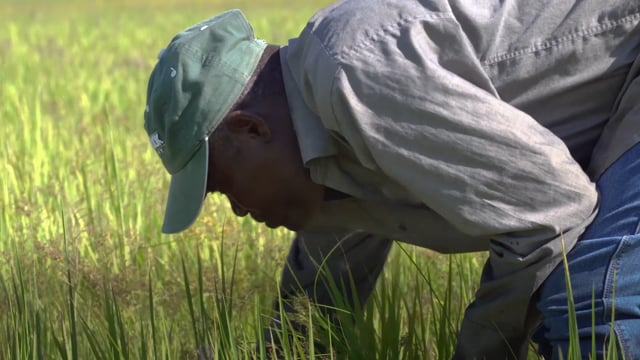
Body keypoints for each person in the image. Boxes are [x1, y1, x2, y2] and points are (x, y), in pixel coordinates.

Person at [143, 1, 640, 358]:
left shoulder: (356, 76)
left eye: (223, 184)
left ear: (250, 128)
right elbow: (320, 299)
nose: (237, 208)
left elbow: (551, 215)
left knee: (593, 303)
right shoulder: (319, 154)